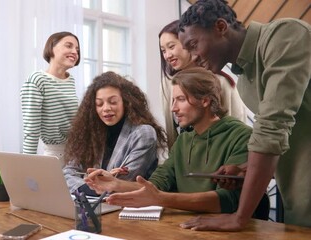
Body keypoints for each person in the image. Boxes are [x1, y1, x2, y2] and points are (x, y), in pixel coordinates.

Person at [177, 0, 311, 230]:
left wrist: (240, 217)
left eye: (193, 44)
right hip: (298, 203)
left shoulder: (286, 34)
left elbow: (272, 127)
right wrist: (245, 169)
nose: (193, 57)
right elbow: (289, 136)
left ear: (221, 27)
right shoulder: (244, 84)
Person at [85, 68, 252, 213]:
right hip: (186, 227)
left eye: (180, 99)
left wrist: (161, 199)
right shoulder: (183, 140)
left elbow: (227, 200)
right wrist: (114, 184)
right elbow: (156, 186)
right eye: (173, 100)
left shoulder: (240, 135)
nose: (173, 108)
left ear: (205, 100)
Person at [63, 71, 167, 196]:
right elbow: (67, 172)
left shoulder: (143, 133)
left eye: (112, 102)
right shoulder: (91, 132)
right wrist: (89, 187)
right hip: (95, 203)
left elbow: (122, 183)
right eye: (99, 104)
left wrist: (92, 184)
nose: (106, 108)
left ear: (127, 102)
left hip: (128, 206)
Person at [159, 19, 249, 148]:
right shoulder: (167, 84)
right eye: (163, 50)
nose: (167, 55)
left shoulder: (222, 82)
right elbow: (172, 132)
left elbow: (238, 129)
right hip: (182, 162)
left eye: (171, 46)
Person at [20, 31, 80, 159]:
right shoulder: (37, 80)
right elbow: (31, 129)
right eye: (69, 46)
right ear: (51, 48)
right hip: (56, 156)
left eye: (77, 49)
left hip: (78, 153)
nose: (75, 52)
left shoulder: (70, 80)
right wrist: (27, 165)